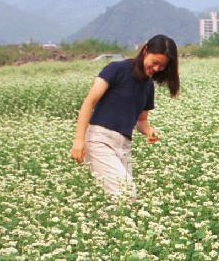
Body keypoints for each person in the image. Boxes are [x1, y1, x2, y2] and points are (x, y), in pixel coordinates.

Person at [69, 35, 180, 198]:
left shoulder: (148, 86)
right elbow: (89, 102)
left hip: (124, 146)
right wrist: (79, 140)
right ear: (145, 50)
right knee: (127, 194)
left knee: (122, 200)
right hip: (99, 140)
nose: (156, 68)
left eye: (162, 66)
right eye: (155, 62)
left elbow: (141, 121)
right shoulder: (116, 69)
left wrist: (149, 131)